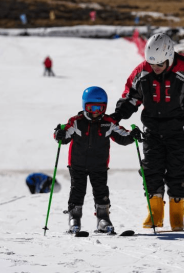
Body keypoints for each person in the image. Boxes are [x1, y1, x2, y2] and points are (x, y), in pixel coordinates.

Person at [110, 33, 184, 231]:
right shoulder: (143, 71)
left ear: (169, 57)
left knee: (178, 171)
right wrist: (118, 114)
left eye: (159, 64)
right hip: (152, 130)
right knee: (151, 170)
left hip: (180, 131)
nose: (155, 68)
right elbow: (131, 96)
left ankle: (177, 212)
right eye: (151, 64)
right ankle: (155, 211)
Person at [53, 86, 141, 234]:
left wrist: (133, 135)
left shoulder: (108, 122)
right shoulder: (76, 121)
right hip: (77, 165)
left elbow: (122, 136)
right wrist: (59, 134)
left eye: (100, 108)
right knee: (77, 191)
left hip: (99, 165)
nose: (96, 112)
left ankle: (103, 218)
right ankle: (74, 218)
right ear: (84, 106)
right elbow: (64, 136)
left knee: (101, 192)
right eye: (92, 108)